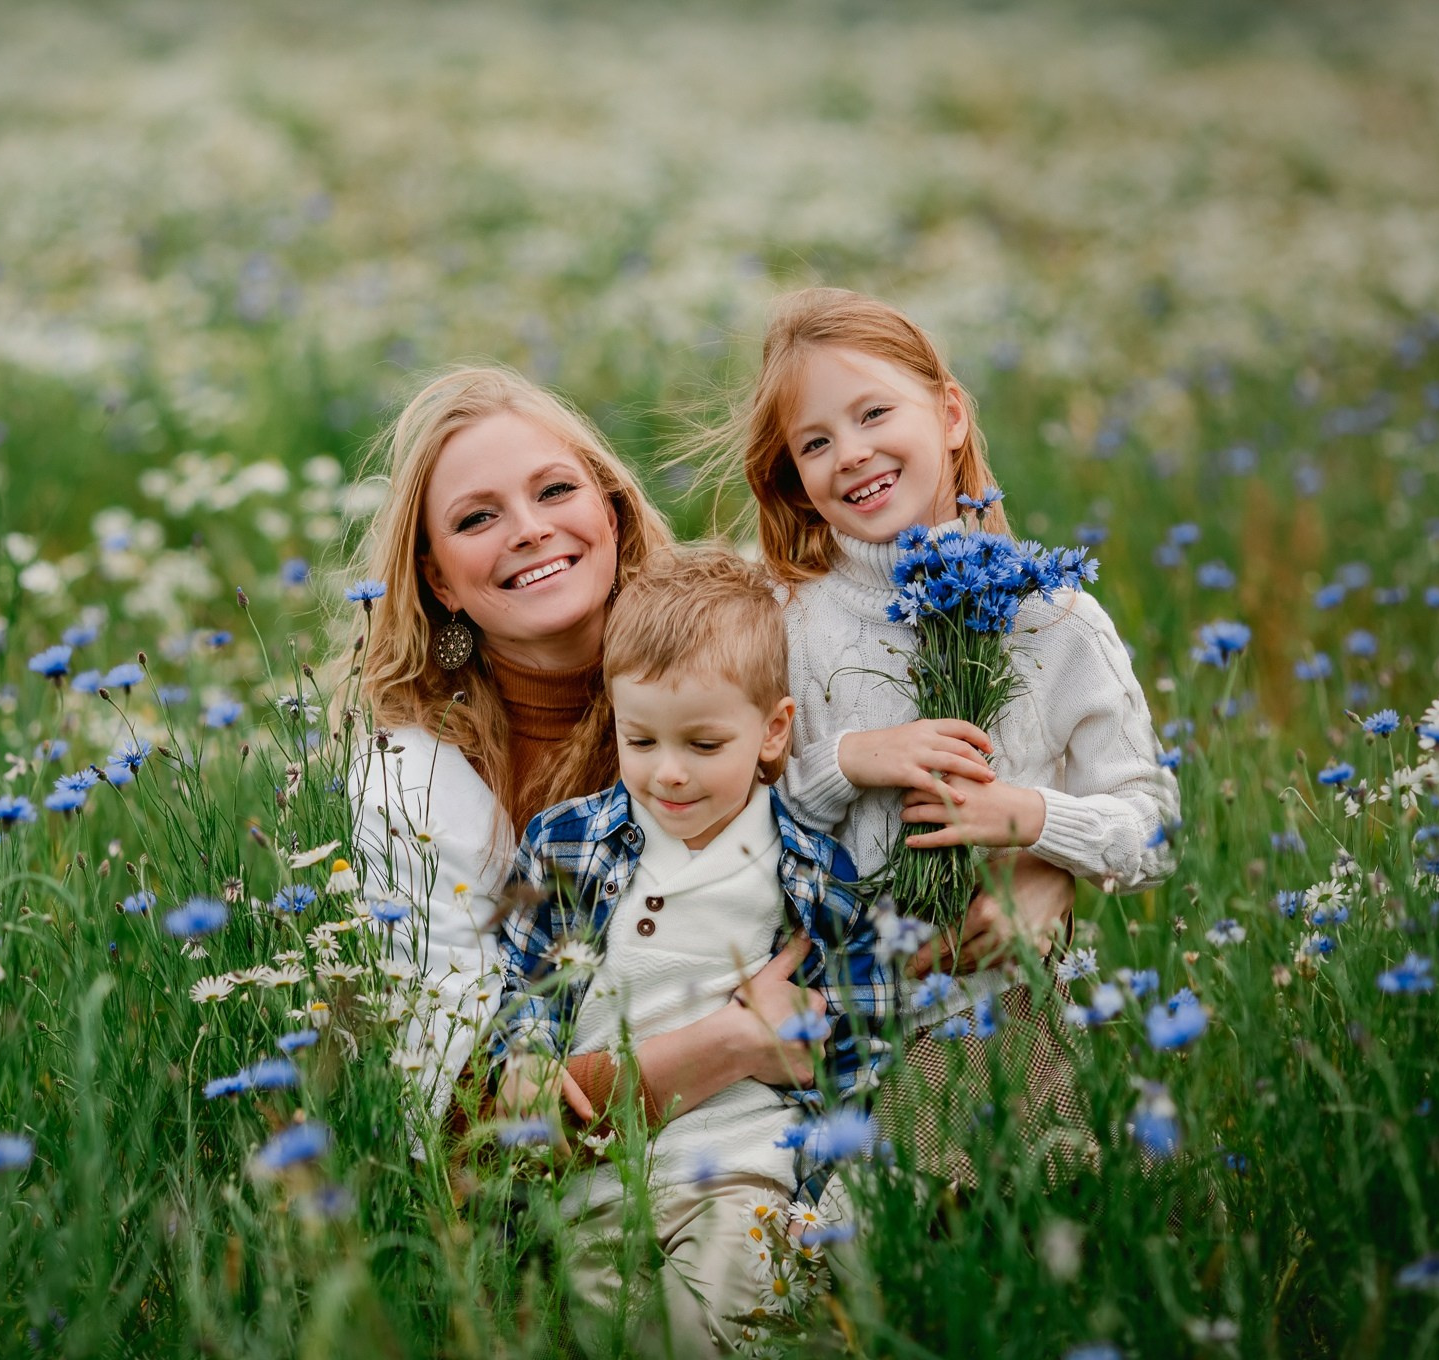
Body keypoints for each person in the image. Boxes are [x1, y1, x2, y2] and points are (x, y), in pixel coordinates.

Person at [345, 362, 1074, 1130]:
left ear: (613, 511)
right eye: (475, 519)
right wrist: (730, 1044)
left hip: (837, 1091)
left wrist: (1049, 868)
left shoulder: (742, 638)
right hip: (604, 1181)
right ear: (439, 582)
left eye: (556, 490)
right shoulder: (411, 788)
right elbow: (468, 1123)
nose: (529, 528)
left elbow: (968, 765)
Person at [714, 286, 1181, 1179]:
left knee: (1046, 1202)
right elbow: (734, 820)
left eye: (874, 413)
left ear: (952, 413)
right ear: (794, 477)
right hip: (839, 1017)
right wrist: (846, 761)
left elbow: (1151, 827)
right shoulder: (788, 622)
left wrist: (1034, 824)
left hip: (1011, 1001)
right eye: (815, 443)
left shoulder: (1054, 620)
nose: (851, 454)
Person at [489, 546, 889, 1356]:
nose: (668, 775)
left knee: (709, 1327)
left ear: (773, 731)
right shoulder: (568, 844)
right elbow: (527, 990)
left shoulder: (808, 870)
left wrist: (845, 1191)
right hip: (598, 1183)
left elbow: (858, 1038)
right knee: (612, 1333)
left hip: (744, 1173)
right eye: (641, 741)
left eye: (704, 745)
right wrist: (526, 1055)